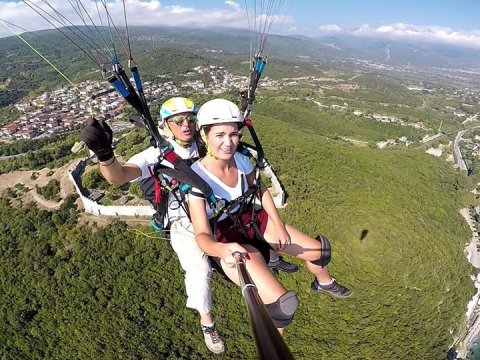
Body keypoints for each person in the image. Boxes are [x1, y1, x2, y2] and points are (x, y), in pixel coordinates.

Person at [79, 96, 297, 353]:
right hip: (184, 221)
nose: (186, 125)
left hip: (218, 210)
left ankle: (269, 255)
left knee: (252, 219)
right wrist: (106, 155)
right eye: (178, 121)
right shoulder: (156, 154)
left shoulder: (207, 142)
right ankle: (208, 322)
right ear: (165, 125)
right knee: (198, 269)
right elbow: (119, 176)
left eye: (191, 119)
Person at [187, 99, 351, 334]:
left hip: (250, 220)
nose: (228, 142)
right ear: (205, 136)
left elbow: (260, 189)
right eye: (220, 135)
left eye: (233, 134)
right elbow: (202, 234)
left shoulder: (242, 161)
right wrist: (222, 251)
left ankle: (324, 282)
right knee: (283, 306)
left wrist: (278, 223)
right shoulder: (197, 178)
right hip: (226, 239)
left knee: (320, 251)